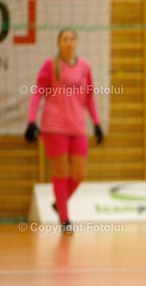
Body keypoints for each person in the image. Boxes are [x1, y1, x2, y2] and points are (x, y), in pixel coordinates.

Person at [25, 28, 103, 233]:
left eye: (71, 39)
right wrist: (31, 121)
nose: (68, 43)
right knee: (61, 172)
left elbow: (89, 96)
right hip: (54, 127)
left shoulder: (85, 66)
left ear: (76, 42)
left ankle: (59, 203)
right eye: (64, 39)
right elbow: (37, 92)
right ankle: (65, 219)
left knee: (79, 174)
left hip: (78, 127)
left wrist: (96, 123)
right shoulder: (51, 64)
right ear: (59, 43)